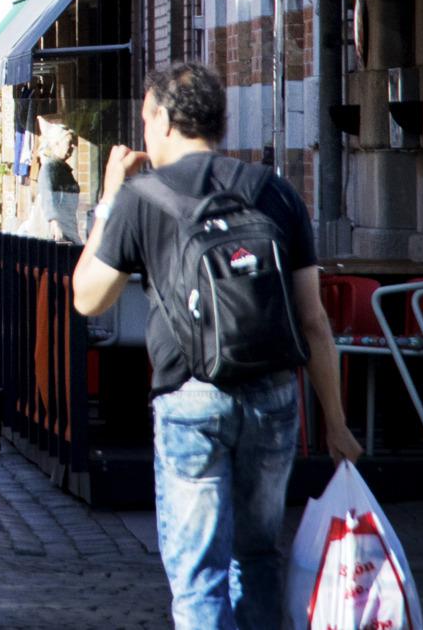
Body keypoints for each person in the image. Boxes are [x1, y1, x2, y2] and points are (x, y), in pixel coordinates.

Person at [72, 60, 361, 630]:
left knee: (198, 576)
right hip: (274, 399)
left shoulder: (140, 198)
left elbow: (89, 298)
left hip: (190, 399)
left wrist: (107, 198)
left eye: (147, 118)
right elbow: (314, 320)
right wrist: (335, 422)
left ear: (163, 121)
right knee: (257, 557)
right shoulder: (273, 191)